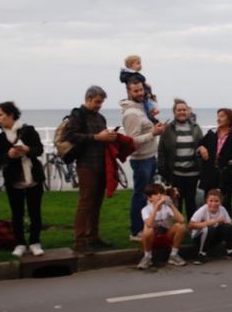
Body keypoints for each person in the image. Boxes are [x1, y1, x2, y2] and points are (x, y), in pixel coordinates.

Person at [64, 86, 117, 252]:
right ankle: (79, 240)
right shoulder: (77, 115)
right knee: (86, 202)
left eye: (101, 102)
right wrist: (96, 137)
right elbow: (70, 135)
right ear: (88, 99)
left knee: (96, 204)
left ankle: (93, 236)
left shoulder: (100, 118)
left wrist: (109, 137)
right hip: (86, 164)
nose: (99, 105)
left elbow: (101, 138)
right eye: (97, 102)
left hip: (101, 164)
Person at [0, 102, 45, 257]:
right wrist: (8, 155)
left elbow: (39, 149)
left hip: (33, 177)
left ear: (11, 115)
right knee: (17, 213)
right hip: (13, 179)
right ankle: (20, 243)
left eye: (0, 115)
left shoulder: (28, 130)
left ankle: (35, 242)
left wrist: (28, 149)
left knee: (35, 212)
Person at [122, 75, 167, 240]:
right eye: (136, 90)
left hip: (149, 157)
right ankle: (136, 231)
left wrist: (155, 128)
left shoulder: (142, 108)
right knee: (140, 195)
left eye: (141, 89)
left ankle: (145, 226)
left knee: (147, 195)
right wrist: (153, 133)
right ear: (129, 91)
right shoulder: (132, 113)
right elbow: (131, 142)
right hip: (141, 160)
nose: (140, 93)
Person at [158, 99, 203, 217]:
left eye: (184, 109)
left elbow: (202, 146)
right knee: (177, 202)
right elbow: (161, 150)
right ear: (174, 112)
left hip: (193, 173)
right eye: (179, 110)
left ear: (188, 111)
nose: (182, 112)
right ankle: (179, 228)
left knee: (191, 202)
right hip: (176, 174)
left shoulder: (196, 127)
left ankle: (193, 229)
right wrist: (162, 170)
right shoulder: (167, 129)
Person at [137, 183, 187, 270]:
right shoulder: (145, 209)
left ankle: (174, 255)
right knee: (148, 230)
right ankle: (147, 257)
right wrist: (156, 207)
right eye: (156, 194)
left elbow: (182, 220)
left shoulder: (166, 208)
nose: (159, 195)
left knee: (181, 226)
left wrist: (171, 205)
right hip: (152, 239)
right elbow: (149, 224)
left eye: (161, 193)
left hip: (166, 236)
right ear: (149, 198)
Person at [199, 108, 232, 209]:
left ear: (229, 119)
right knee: (209, 202)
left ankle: (226, 224)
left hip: (226, 173)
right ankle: (209, 224)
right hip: (210, 173)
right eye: (218, 116)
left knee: (225, 203)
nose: (218, 119)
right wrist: (201, 148)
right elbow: (199, 144)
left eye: (222, 116)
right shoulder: (211, 132)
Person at [188, 188, 232, 264]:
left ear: (220, 202)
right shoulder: (203, 210)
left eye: (216, 201)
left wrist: (223, 222)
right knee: (209, 229)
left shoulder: (222, 209)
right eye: (211, 201)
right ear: (206, 201)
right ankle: (201, 254)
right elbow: (191, 225)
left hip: (213, 237)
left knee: (228, 227)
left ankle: (230, 251)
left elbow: (229, 224)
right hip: (199, 238)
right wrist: (212, 222)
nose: (213, 204)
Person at [119, 54, 159, 123]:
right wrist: (147, 92)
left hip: (145, 95)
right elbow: (137, 86)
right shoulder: (131, 75)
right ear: (130, 65)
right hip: (143, 96)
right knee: (146, 108)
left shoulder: (134, 74)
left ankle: (152, 116)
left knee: (150, 106)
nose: (140, 65)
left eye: (140, 63)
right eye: (138, 63)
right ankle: (151, 119)